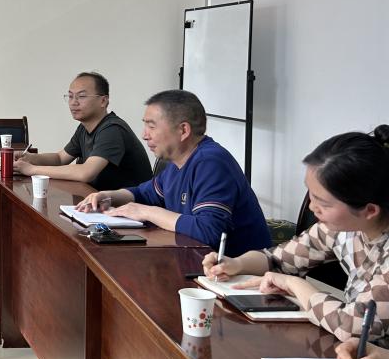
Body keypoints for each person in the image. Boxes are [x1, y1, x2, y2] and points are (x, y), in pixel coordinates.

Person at [205, 125, 389, 348]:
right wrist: (236, 263)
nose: (312, 207)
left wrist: (294, 285)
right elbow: (277, 259)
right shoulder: (339, 229)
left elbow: (352, 326)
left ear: (370, 210)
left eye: (323, 203)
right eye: (310, 194)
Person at [76, 89, 271, 256]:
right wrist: (108, 196)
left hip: (240, 275)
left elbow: (209, 232)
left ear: (183, 130)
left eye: (151, 126)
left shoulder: (211, 162)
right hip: (198, 262)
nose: (144, 135)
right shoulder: (177, 162)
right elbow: (144, 193)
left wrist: (146, 212)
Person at [15, 72, 152, 190]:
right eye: (70, 96)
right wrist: (31, 158)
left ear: (103, 101)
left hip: (130, 207)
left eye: (81, 96)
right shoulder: (84, 128)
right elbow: (60, 158)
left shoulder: (112, 129)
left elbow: (86, 172)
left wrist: (32, 170)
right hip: (101, 201)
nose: (73, 102)